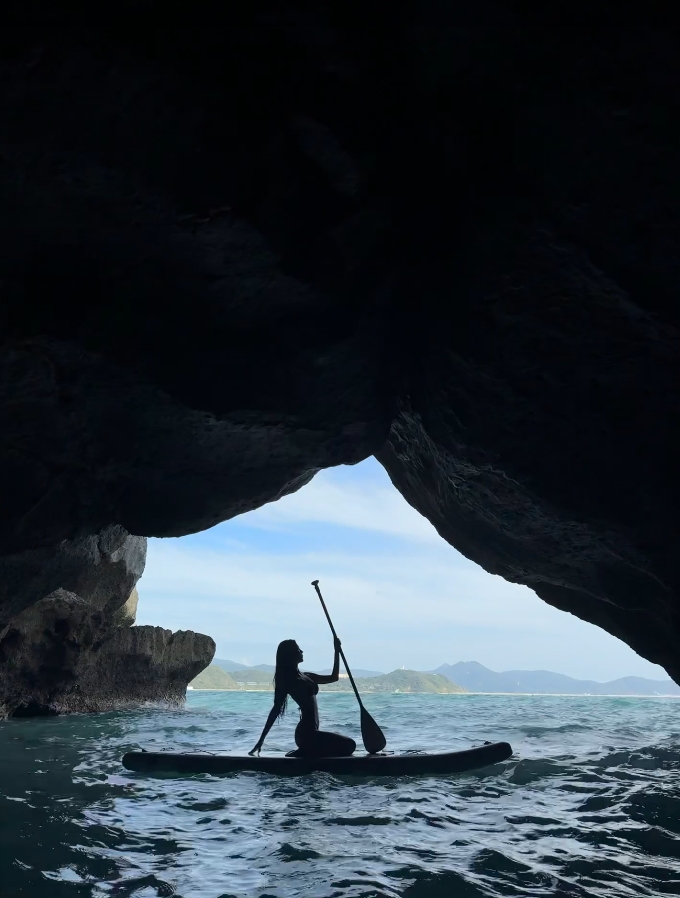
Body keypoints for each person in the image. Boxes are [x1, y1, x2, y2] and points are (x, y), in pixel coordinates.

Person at [248, 637, 357, 758]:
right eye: (298, 649)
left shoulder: (307, 676)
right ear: (291, 655)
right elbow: (275, 710)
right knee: (349, 745)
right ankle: (307, 751)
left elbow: (334, 677)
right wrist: (261, 740)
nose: (302, 651)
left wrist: (336, 650)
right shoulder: (288, 681)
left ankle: (307, 751)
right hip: (306, 734)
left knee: (349, 745)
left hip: (312, 733)